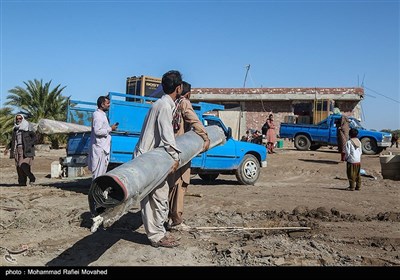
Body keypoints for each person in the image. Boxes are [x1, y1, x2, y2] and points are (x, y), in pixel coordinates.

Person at [133, 70, 182, 248]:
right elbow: (167, 135)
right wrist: (175, 157)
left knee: (158, 196)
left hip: (150, 157)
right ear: (179, 88)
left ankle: (158, 233)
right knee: (155, 198)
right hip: (148, 159)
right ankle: (156, 236)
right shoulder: (164, 106)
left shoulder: (160, 104)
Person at [167, 81, 210, 230]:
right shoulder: (184, 103)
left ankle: (167, 217)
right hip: (182, 150)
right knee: (181, 184)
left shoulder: (172, 103)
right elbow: (194, 120)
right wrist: (205, 137)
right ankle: (176, 219)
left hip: (170, 150)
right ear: (188, 93)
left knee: (171, 185)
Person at [87, 95, 118, 179]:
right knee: (98, 174)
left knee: (101, 172)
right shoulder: (97, 115)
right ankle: (96, 190)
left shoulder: (102, 115)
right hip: (100, 148)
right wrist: (110, 129)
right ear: (102, 104)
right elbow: (97, 131)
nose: (109, 105)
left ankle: (98, 190)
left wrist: (110, 128)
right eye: (107, 103)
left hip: (103, 147)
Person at [4, 114, 36, 186]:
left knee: (22, 165)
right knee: (18, 167)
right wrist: (7, 148)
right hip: (16, 150)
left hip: (26, 150)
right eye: (17, 119)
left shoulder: (27, 128)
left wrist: (29, 144)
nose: (18, 120)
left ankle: (32, 178)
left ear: (23, 119)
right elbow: (12, 141)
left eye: (20, 119)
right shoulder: (15, 129)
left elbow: (34, 138)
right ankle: (22, 182)